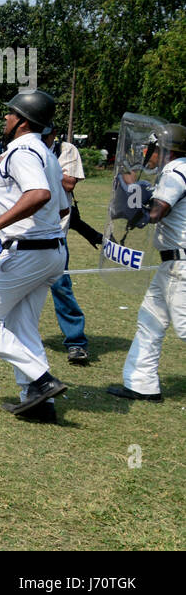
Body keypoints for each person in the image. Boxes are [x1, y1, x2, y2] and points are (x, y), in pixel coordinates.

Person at [0, 90, 70, 424]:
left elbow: (39, 194)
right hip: (50, 252)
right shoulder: (45, 153)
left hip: (24, 252)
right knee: (23, 326)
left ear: (23, 121)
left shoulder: (24, 150)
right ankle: (38, 402)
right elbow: (63, 205)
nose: (5, 119)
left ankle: (42, 380)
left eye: (10, 114)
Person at [110, 123, 186, 403]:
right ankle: (142, 384)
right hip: (172, 265)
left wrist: (135, 206)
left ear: (163, 149)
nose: (146, 152)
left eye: (150, 147)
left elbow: (158, 212)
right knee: (150, 320)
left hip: (181, 265)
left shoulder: (175, 172)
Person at [43, 130, 90, 364]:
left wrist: (42, 163)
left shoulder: (65, 150)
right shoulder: (21, 149)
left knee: (61, 286)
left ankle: (76, 342)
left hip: (55, 232)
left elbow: (69, 183)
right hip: (24, 231)